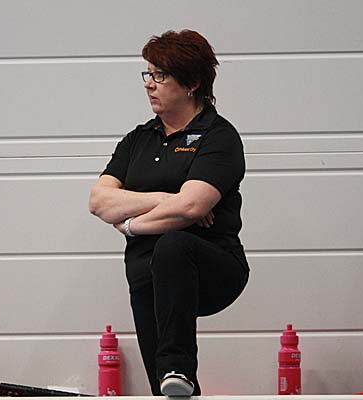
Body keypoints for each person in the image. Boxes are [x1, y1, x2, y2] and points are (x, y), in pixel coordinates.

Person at [89, 30, 249, 396]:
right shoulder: (138, 140)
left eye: (160, 75)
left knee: (174, 243)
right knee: (165, 389)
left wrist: (130, 224)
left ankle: (180, 365)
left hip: (211, 267)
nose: (149, 84)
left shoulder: (218, 136)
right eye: (147, 74)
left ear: (192, 83)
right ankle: (174, 379)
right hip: (146, 272)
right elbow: (99, 201)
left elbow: (192, 207)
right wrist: (164, 198)